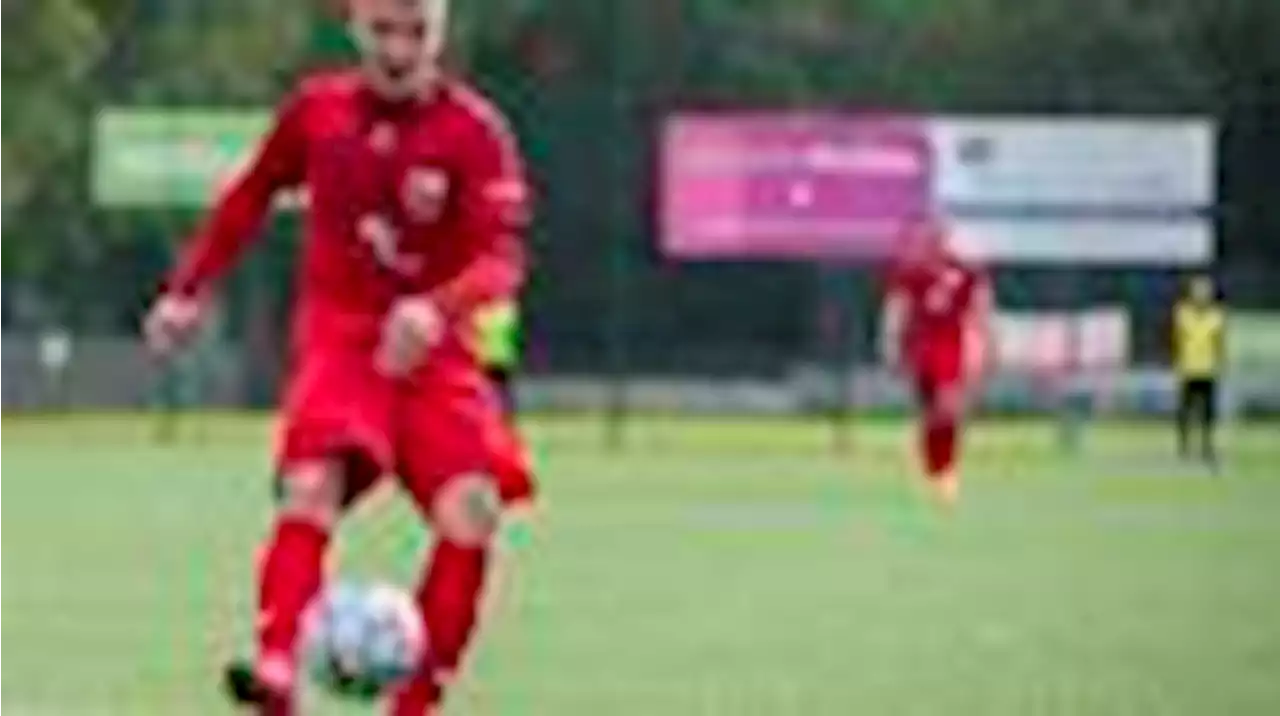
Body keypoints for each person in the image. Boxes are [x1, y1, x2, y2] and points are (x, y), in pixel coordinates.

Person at [142, 0, 536, 713]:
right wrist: (187, 289)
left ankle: (412, 705)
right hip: (343, 340)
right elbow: (252, 192)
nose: (399, 48)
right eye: (383, 30)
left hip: (435, 357)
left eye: (416, 32)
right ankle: (277, 670)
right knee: (309, 486)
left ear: (439, 34)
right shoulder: (317, 112)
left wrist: (434, 308)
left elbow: (503, 258)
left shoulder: (475, 132)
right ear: (355, 29)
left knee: (473, 511)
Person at [884, 216, 993, 509]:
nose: (934, 240)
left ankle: (946, 473)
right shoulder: (912, 270)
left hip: (951, 347)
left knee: (949, 408)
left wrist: (982, 346)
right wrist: (892, 344)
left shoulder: (966, 269)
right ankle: (933, 468)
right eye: (929, 236)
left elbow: (981, 308)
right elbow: (898, 308)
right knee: (930, 413)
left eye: (940, 235)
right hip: (920, 346)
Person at [1172, 274, 1226, 469]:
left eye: (1205, 291)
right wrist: (1177, 362)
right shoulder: (1182, 313)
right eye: (1198, 290)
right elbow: (1176, 340)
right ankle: (1184, 447)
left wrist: (1221, 364)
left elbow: (1220, 343)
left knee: (1208, 413)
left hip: (1208, 370)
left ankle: (1207, 447)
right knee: (1184, 411)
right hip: (1188, 369)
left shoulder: (1217, 316)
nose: (1201, 294)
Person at [475, 297, 520, 415]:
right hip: (505, 356)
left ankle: (489, 410)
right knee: (503, 388)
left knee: (487, 387)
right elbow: (515, 334)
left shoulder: (482, 313)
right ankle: (506, 411)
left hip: (487, 356)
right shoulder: (508, 311)